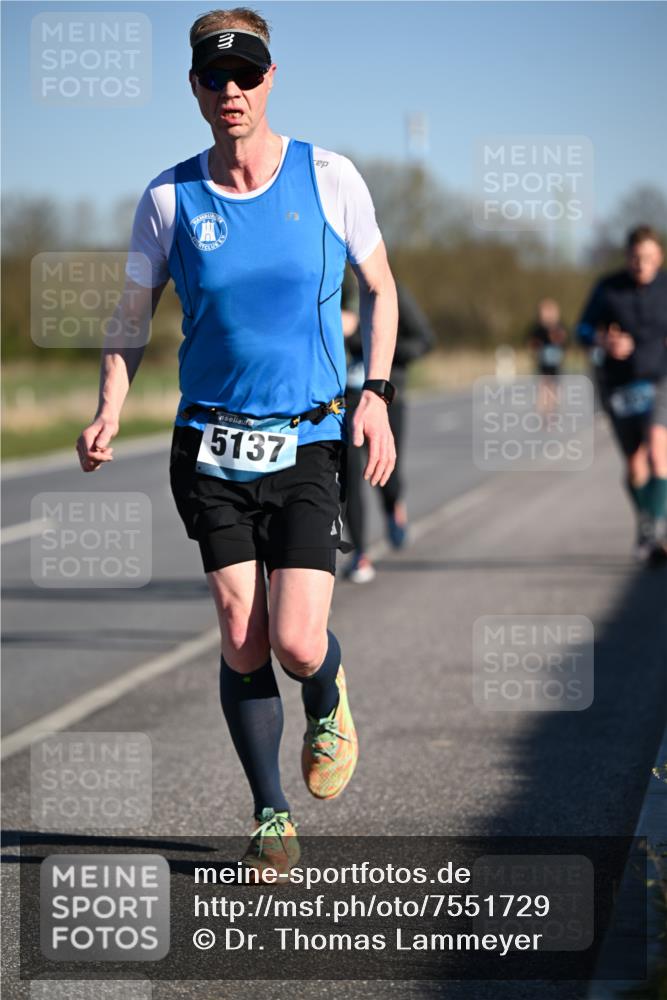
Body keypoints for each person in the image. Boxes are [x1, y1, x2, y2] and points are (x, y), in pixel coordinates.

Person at [76, 7, 398, 878]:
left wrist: (373, 394)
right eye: (214, 77)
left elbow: (381, 288)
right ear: (193, 87)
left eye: (246, 74)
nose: (231, 91)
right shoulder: (168, 198)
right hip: (209, 445)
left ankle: (325, 694)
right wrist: (108, 408)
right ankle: (269, 814)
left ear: (270, 78)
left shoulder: (327, 176)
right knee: (240, 633)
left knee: (296, 641)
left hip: (308, 439)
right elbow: (131, 318)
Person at [578, 225, 667, 562]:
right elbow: (582, 329)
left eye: (648, 258)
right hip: (619, 384)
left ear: (659, 257)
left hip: (660, 379)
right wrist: (603, 341)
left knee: (658, 449)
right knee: (635, 465)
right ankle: (647, 523)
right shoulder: (608, 288)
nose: (641, 265)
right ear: (627, 257)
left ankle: (656, 529)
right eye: (635, 258)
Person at [342, 282, 434, 582]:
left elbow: (424, 341)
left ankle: (394, 505)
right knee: (348, 480)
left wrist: (363, 340)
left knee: (386, 473)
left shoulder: (391, 291)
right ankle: (360, 555)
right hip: (344, 400)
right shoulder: (333, 287)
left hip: (385, 397)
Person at [527, 298, 568, 414]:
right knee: (543, 385)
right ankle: (543, 409)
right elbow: (532, 344)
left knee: (554, 386)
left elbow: (564, 342)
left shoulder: (560, 327)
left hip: (556, 363)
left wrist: (558, 338)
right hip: (542, 363)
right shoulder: (537, 329)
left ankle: (552, 409)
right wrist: (536, 347)